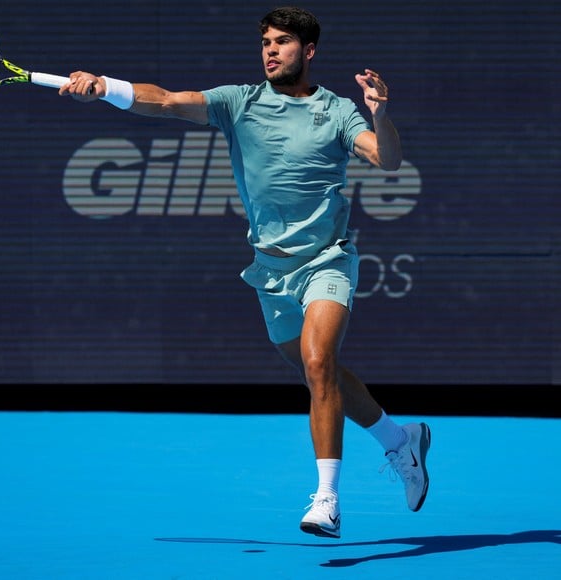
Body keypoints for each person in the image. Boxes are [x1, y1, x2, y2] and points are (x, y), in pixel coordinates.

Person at [60, 6, 430, 539]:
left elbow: (388, 160)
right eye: (265, 43)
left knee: (319, 361)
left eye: (282, 42)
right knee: (314, 371)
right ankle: (401, 440)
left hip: (327, 258)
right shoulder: (240, 102)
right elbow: (165, 101)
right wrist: (106, 86)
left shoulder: (338, 110)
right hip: (270, 268)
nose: (271, 51)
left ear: (309, 51)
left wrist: (379, 114)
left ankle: (326, 499)